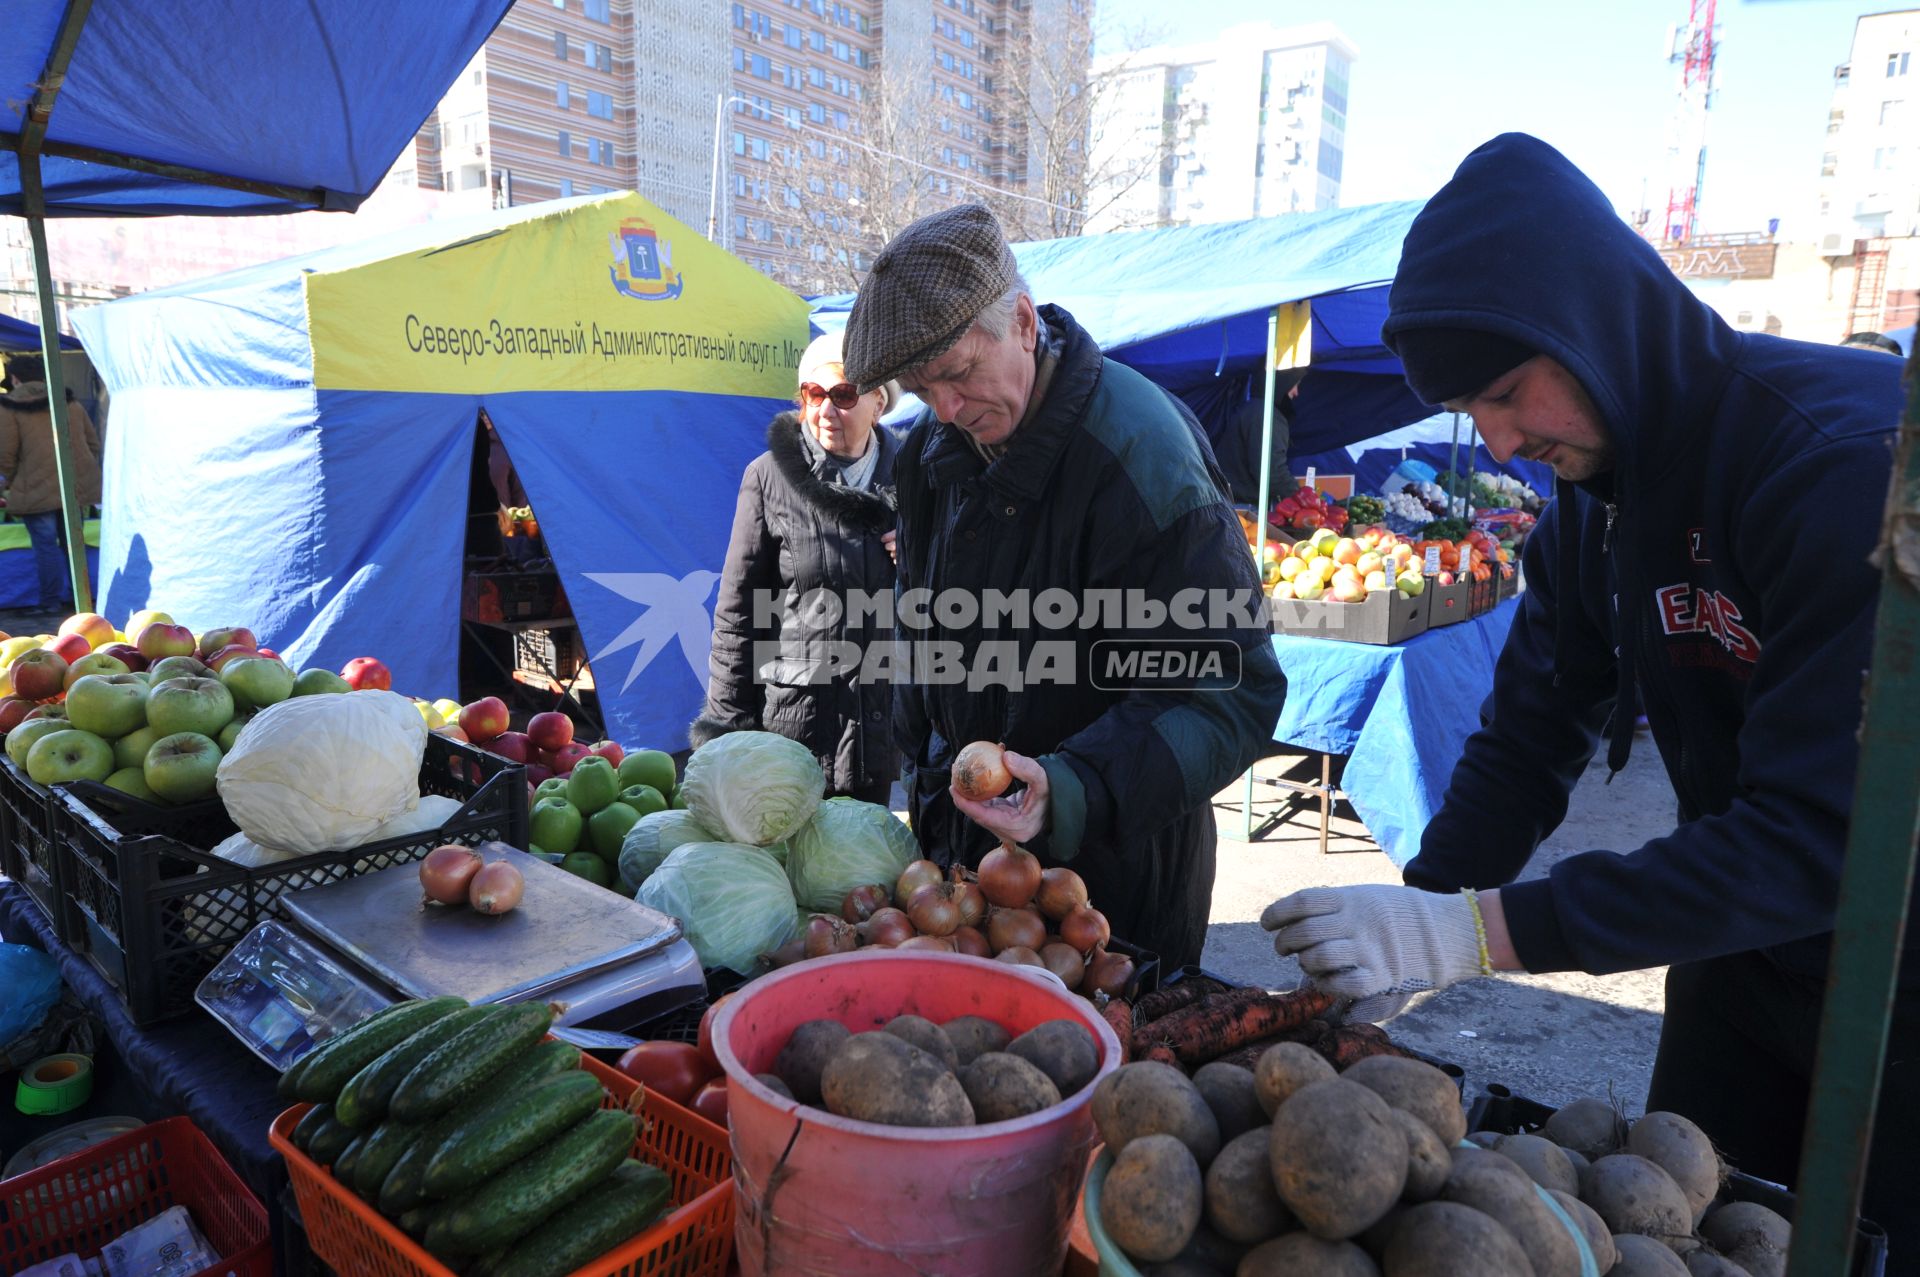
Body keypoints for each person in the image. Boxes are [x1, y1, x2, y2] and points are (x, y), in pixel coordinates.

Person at [1259, 133, 1914, 1260]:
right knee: (1684, 1227)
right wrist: (1415, 920)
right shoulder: (1592, 509)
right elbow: (1526, 738)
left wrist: (1480, 932)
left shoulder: (1839, 463)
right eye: (1475, 409)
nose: (1502, 441)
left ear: (1595, 320)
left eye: (1508, 393)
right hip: (1740, 957)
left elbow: (1827, 834)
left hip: (1896, 971)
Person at [841, 204, 1287, 969]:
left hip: (1109, 884)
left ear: (1021, 321)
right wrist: (919, 753)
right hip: (958, 868)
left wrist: (1069, 789)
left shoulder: (1140, 453)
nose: (945, 409)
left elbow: (1229, 689)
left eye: (957, 374)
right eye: (921, 387)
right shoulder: (928, 458)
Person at [694, 332, 903, 806]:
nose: (827, 410)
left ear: (878, 402)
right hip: (798, 725)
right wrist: (727, 731)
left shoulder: (917, 475)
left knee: (863, 868)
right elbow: (738, 614)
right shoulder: (769, 477)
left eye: (844, 395)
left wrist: (918, 560)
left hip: (883, 722)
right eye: (814, 394)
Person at [0, 352, 101, 614]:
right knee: (73, 545)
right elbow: (92, 444)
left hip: (34, 490)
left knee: (46, 548)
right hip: (74, 489)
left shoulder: (9, 408)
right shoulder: (70, 403)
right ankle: (82, 602)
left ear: (15, 378)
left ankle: (50, 603)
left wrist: (6, 483)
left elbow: (5, 456)